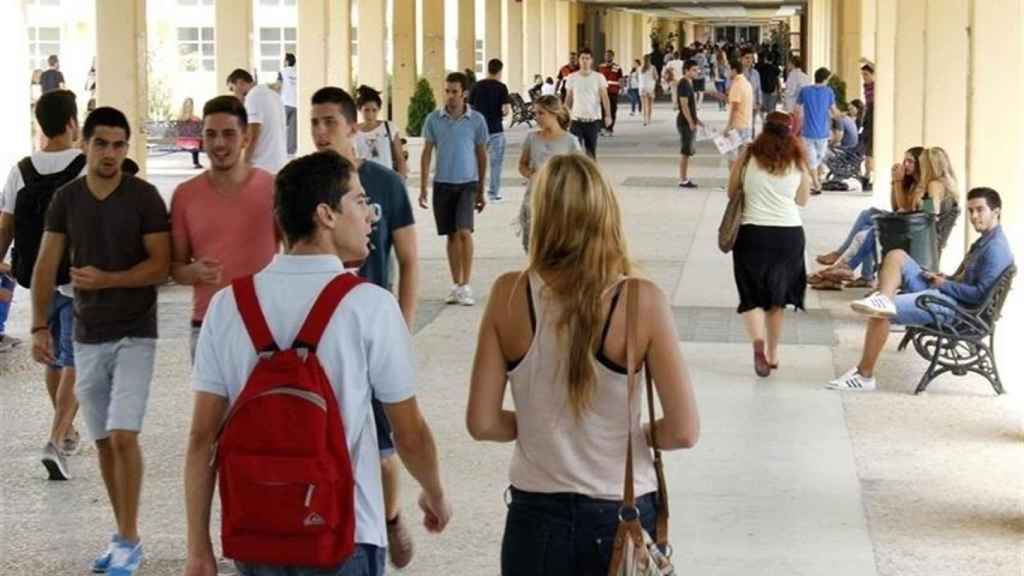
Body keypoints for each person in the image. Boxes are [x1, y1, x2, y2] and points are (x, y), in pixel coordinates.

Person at [183, 151, 451, 576]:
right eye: (360, 202)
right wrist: (434, 493)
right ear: (325, 215)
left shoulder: (228, 306)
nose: (371, 215)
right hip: (345, 532)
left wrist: (198, 549)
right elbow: (408, 430)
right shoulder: (369, 305)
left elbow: (202, 438)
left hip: (257, 533)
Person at [467, 153, 700, 576]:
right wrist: (639, 434)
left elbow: (482, 423)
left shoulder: (509, 294)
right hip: (619, 518)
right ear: (606, 214)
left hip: (533, 517)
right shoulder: (640, 300)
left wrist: (542, 424)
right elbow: (683, 431)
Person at [32, 106, 171, 576]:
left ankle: (129, 541)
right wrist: (38, 326)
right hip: (86, 335)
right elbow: (46, 265)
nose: (110, 153)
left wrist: (107, 279)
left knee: (125, 434)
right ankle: (122, 535)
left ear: (126, 148)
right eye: (101, 144)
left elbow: (161, 266)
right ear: (85, 145)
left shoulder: (145, 197)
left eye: (118, 145)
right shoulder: (66, 199)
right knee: (104, 442)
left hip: (136, 333)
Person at [310, 86, 421, 568]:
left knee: (381, 450)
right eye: (314, 122)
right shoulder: (302, 186)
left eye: (329, 122)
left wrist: (403, 327)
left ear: (354, 127)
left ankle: (391, 517)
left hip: (371, 329)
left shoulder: (386, 185)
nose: (319, 131)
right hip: (320, 336)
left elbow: (410, 260)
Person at [829, 188, 1014, 391]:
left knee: (881, 313)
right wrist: (944, 278)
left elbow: (978, 296)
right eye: (971, 211)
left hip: (957, 311)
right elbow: (967, 281)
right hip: (948, 295)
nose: (974, 216)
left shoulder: (995, 248)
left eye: (980, 210)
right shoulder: (986, 241)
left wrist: (944, 285)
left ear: (996, 211)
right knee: (896, 255)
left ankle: (864, 377)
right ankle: (883, 297)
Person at [0, 89, 84, 478]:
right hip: (79, 278)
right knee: (76, 359)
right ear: (72, 122)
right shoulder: (85, 165)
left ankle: (65, 431)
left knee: (52, 355)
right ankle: (59, 435)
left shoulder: (22, 168)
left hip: (38, 278)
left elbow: (6, 223)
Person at [170, 95, 278, 360]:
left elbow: (299, 253)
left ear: (245, 138)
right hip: (208, 325)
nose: (219, 143)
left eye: (229, 134)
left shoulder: (274, 189)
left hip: (266, 324)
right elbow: (175, 267)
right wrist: (192, 271)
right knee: (208, 404)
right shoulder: (185, 195)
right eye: (211, 134)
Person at [729, 112, 811, 376]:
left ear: (764, 130)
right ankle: (773, 355)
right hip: (788, 235)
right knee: (777, 300)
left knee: (751, 295)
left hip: (752, 234)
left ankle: (758, 345)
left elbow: (732, 192)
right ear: (790, 132)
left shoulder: (747, 155)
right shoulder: (798, 161)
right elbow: (803, 200)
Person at [419, 72, 489, 307]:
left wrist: (481, 187)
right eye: (447, 91)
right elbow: (427, 153)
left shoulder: (477, 120)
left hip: (467, 184)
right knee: (450, 234)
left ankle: (466, 284)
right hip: (442, 183)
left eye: (455, 92)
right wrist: (423, 187)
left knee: (464, 231)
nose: (450, 96)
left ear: (464, 93)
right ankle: (455, 283)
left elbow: (481, 154)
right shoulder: (433, 120)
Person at [517, 95, 583, 252]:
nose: (536, 118)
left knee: (557, 242)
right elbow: (522, 164)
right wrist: (530, 174)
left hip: (560, 198)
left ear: (554, 113)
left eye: (541, 113)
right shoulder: (532, 138)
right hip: (535, 195)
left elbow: (581, 171)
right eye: (535, 113)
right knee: (533, 243)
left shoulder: (570, 141)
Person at [226, 68, 287, 173]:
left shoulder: (253, 96)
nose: (234, 94)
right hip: (278, 164)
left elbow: (253, 136)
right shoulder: (274, 95)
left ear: (240, 82)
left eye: (232, 88)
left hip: (262, 166)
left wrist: (242, 165)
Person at [469, 58, 512, 202]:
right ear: (500, 70)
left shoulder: (476, 86)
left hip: (478, 131)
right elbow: (505, 110)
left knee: (476, 162)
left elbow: (470, 108)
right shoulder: (501, 87)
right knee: (496, 163)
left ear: (488, 69)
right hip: (496, 130)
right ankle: (493, 193)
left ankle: (475, 192)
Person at [797, 67, 840, 192]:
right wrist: (842, 116)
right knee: (817, 157)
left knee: (812, 158)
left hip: (807, 131)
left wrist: (800, 122)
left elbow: (796, 110)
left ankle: (815, 179)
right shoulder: (829, 92)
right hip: (822, 132)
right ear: (825, 79)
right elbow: (834, 111)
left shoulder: (805, 91)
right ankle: (816, 183)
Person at [565, 48, 612, 159]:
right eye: (582, 58)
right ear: (578, 60)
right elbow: (568, 99)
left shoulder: (599, 77)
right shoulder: (572, 78)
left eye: (587, 58)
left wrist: (608, 115)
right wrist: (564, 117)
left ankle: (591, 175)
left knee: (591, 153)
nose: (585, 61)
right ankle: (576, 175)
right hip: (576, 120)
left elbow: (605, 97)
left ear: (591, 61)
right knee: (574, 153)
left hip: (592, 120)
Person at [354, 85, 409, 181]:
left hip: (387, 180)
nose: (370, 114)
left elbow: (400, 158)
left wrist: (401, 181)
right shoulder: (353, 132)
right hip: (363, 182)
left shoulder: (389, 127)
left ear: (379, 109)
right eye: (366, 110)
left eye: (374, 110)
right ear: (359, 109)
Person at [677, 60, 703, 189]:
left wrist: (696, 119)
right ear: (686, 70)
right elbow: (684, 105)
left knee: (687, 151)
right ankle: (683, 179)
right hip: (684, 122)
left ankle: (684, 178)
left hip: (688, 121)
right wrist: (690, 122)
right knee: (685, 152)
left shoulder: (689, 82)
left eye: (696, 69)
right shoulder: (683, 83)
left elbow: (690, 106)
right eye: (693, 69)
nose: (696, 72)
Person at [725, 59, 754, 167]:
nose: (727, 72)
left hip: (737, 126)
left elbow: (735, 107)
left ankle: (733, 182)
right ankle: (740, 182)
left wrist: (728, 126)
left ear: (734, 70)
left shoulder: (737, 85)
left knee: (732, 157)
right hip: (746, 124)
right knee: (743, 159)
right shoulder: (746, 83)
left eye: (728, 69)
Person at [597, 49, 624, 135]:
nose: (607, 57)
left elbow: (620, 79)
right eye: (606, 55)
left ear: (612, 56)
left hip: (613, 92)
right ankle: (602, 127)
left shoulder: (617, 67)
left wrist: (622, 88)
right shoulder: (600, 67)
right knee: (602, 110)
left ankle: (609, 128)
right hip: (602, 92)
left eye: (609, 55)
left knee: (612, 110)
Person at [278, 53, 298, 155]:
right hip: (296, 104)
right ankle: (290, 151)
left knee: (279, 126)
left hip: (285, 103)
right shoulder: (298, 72)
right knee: (292, 131)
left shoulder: (282, 72)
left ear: (286, 61)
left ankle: (279, 148)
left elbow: (278, 86)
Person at [859, 64, 876, 189]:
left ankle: (868, 175)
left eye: (866, 74)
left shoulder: (877, 86)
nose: (864, 77)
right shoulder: (866, 86)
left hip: (874, 116)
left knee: (870, 149)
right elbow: (866, 104)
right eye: (862, 74)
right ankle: (867, 175)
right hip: (868, 117)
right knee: (867, 149)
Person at [176, 98, 203, 169]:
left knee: (196, 139)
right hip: (192, 143)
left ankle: (196, 162)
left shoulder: (180, 118)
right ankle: (196, 163)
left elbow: (178, 131)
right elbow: (198, 130)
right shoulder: (195, 119)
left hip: (181, 142)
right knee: (198, 140)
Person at [740, 48, 763, 126]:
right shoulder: (737, 72)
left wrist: (759, 102)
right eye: (747, 58)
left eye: (751, 58)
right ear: (741, 59)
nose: (749, 60)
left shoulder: (756, 73)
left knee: (751, 127)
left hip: (753, 104)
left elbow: (758, 89)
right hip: (740, 105)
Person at [638, 55, 659, 126]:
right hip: (650, 88)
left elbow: (638, 78)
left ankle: (645, 120)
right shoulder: (653, 67)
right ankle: (649, 119)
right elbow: (656, 77)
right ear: (650, 60)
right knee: (650, 105)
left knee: (644, 105)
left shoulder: (640, 68)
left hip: (642, 88)